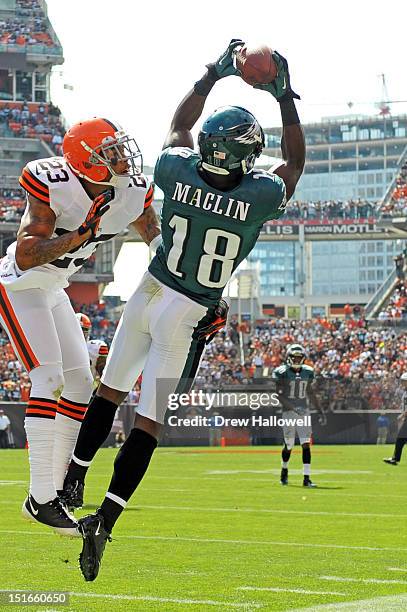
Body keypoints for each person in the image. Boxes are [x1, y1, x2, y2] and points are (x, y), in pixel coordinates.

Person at [65, 39, 305, 581]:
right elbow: (294, 161)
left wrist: (210, 75)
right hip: (188, 311)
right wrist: (285, 94)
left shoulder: (176, 169)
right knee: (148, 421)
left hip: (149, 290)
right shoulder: (261, 194)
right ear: (244, 155)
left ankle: (73, 479)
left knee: (109, 390)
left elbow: (179, 130)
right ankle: (104, 519)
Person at [0, 117, 160, 536]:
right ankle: (40, 498)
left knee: (77, 382)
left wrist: (169, 263)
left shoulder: (131, 190)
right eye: (109, 152)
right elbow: (24, 255)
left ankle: (56, 490)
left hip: (54, 286)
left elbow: (150, 230)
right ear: (85, 163)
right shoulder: (51, 181)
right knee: (48, 376)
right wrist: (76, 237)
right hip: (21, 285)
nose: (122, 157)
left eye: (120, 148)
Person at [272, 344, 325, 487]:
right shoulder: (282, 372)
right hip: (289, 412)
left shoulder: (307, 372)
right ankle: (284, 470)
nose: (296, 359)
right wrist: (294, 408)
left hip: (304, 411)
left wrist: (320, 410)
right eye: (293, 357)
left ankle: (306, 478)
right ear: (288, 357)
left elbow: (310, 392)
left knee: (306, 444)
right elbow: (278, 395)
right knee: (289, 445)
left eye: (299, 357)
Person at [75, 312, 109, 383]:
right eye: (79, 330)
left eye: (84, 330)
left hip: (85, 391)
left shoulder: (95, 347)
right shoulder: (60, 347)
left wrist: (94, 389)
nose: (82, 334)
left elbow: (105, 379)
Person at [384, 373, 407, 465]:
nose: (402, 383)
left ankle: (395, 458)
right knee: (401, 439)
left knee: (400, 438)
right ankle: (395, 458)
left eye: (404, 381)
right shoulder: (405, 392)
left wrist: (403, 415)